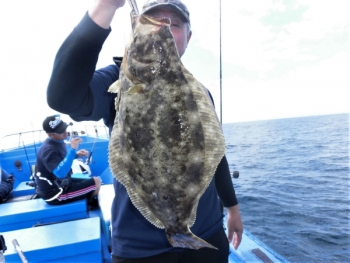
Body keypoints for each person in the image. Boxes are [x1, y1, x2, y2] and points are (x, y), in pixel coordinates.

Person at [47, 0, 243, 262]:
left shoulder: (200, 92)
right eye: (153, 20)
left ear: (188, 36)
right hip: (141, 250)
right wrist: (105, 7)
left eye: (173, 24)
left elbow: (213, 158)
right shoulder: (121, 78)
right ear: (135, 30)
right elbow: (63, 97)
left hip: (207, 234)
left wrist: (232, 208)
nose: (162, 28)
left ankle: (182, 227)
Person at [34, 115, 101, 206]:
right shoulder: (48, 150)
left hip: (61, 184)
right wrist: (73, 149)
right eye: (61, 131)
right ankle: (90, 204)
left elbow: (62, 161)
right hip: (55, 194)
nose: (65, 132)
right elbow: (60, 173)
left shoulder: (58, 141)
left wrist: (76, 155)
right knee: (96, 182)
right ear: (50, 134)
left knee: (89, 179)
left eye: (65, 128)